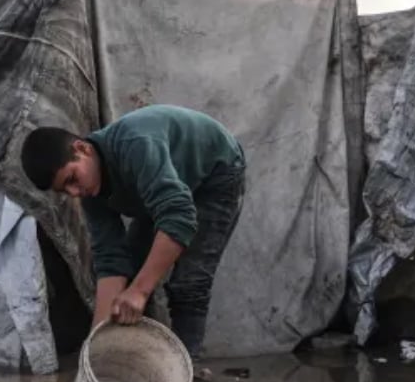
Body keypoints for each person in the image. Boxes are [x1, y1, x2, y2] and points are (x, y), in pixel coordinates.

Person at [19, 104, 246, 363]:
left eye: (72, 178)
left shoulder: (135, 144)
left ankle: (183, 374)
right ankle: (137, 363)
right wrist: (94, 350)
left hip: (216, 173)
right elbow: (110, 261)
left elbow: (179, 218)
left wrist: (139, 291)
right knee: (135, 273)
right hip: (167, 191)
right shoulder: (90, 192)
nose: (74, 193)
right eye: (64, 190)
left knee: (189, 282)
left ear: (83, 149)